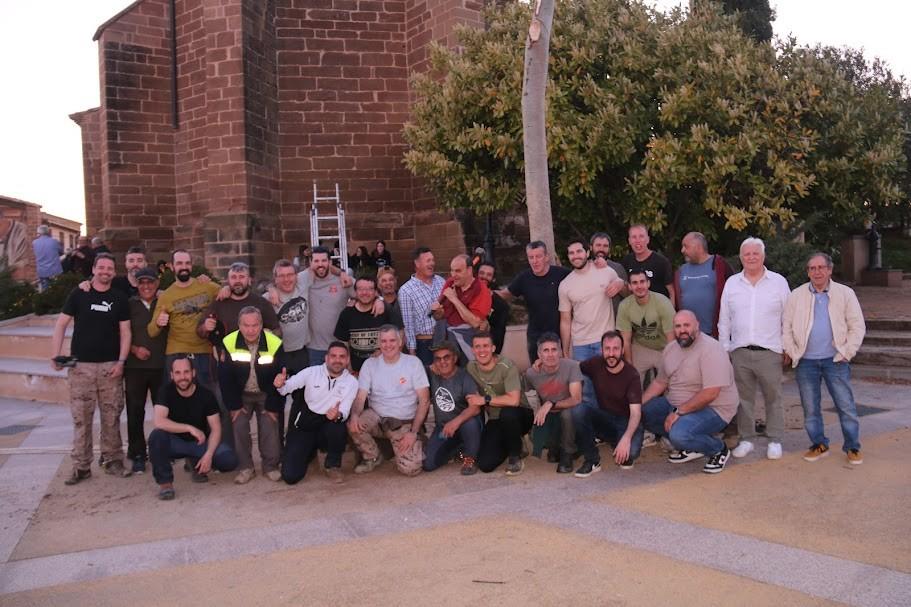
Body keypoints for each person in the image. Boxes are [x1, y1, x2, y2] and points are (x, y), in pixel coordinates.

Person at [51, 253, 132, 483]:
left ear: (114, 272)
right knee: (81, 419)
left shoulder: (119, 298)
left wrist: (121, 362)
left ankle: (113, 460)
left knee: (111, 416)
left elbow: (126, 332)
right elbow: (61, 324)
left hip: (110, 367)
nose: (105, 271)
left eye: (109, 268)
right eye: (101, 267)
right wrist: (56, 354)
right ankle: (81, 466)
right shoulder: (79, 294)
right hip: (81, 368)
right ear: (94, 269)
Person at [783, 252, 866, 464]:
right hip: (806, 362)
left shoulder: (845, 293)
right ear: (808, 272)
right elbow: (786, 327)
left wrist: (847, 352)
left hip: (835, 360)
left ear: (830, 270)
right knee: (810, 408)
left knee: (846, 406)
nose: (817, 272)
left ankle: (852, 446)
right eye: (812, 268)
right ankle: (819, 444)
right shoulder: (796, 295)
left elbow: (857, 326)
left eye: (821, 267)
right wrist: (793, 351)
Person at [718, 237, 791, 460]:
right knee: (744, 399)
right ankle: (747, 439)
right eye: (747, 254)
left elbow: (788, 318)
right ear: (741, 258)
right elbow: (724, 319)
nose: (751, 257)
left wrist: (787, 347)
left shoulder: (778, 282)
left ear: (763, 256)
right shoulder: (732, 283)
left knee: (773, 397)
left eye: (755, 253)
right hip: (740, 351)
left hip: (770, 350)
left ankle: (775, 439)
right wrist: (724, 348)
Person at [640, 310, 739, 474]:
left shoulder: (712, 349)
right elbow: (660, 382)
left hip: (714, 408)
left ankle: (718, 449)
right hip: (677, 404)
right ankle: (693, 445)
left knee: (679, 435)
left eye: (687, 325)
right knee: (643, 413)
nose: (682, 330)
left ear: (697, 325)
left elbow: (711, 393)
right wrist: (637, 405)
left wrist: (679, 412)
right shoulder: (671, 349)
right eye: (678, 326)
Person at [148, 356, 239, 500]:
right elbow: (159, 421)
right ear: (171, 375)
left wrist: (208, 455)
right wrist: (189, 428)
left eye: (186, 372)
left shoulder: (206, 395)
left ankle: (196, 462)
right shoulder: (165, 391)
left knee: (229, 460)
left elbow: (216, 428)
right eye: (178, 373)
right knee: (156, 437)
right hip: (174, 443)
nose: (182, 377)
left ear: (193, 373)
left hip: (199, 443)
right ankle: (165, 484)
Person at [347, 325, 430, 476]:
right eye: (383, 341)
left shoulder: (413, 363)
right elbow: (360, 397)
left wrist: (413, 432)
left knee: (411, 469)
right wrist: (354, 416)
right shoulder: (370, 364)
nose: (388, 345)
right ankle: (372, 457)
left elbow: (424, 401)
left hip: (402, 422)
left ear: (400, 342)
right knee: (355, 425)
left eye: (392, 340)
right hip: (377, 418)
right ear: (378, 343)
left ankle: (417, 440)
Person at [274, 341, 358, 484]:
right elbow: (287, 387)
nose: (337, 360)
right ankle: (310, 453)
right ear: (326, 358)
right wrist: (280, 384)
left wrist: (337, 415)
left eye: (342, 356)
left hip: (328, 424)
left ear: (347, 360)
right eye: (333, 356)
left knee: (338, 427)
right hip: (305, 424)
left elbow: (344, 410)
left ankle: (332, 465)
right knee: (290, 476)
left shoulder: (352, 382)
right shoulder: (311, 372)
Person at [218, 306, 285, 483]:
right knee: (238, 424)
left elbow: (280, 376)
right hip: (241, 394)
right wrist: (234, 406)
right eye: (246, 325)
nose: (250, 330)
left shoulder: (274, 342)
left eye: (255, 325)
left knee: (270, 424)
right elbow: (225, 378)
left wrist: (273, 406)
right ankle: (246, 468)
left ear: (261, 325)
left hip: (266, 392)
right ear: (239, 325)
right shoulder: (228, 342)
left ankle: (270, 466)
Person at [558, 239, 624, 419]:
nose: (575, 256)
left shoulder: (605, 271)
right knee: (587, 391)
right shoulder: (565, 285)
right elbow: (565, 320)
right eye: (571, 253)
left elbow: (623, 288)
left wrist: (619, 283)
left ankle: (613, 427)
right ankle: (594, 428)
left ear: (587, 252)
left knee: (610, 387)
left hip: (605, 342)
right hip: (580, 345)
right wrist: (566, 350)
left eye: (579, 251)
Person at [572, 331, 644, 476]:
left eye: (615, 349)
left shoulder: (631, 375)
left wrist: (626, 439)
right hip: (604, 417)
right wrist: (546, 362)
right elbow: (573, 366)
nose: (611, 354)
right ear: (602, 350)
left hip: (626, 421)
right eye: (607, 349)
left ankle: (619, 441)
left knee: (629, 455)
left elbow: (636, 413)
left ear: (622, 350)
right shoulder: (595, 363)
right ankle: (592, 460)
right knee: (579, 410)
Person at [147, 250, 220, 389]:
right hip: (177, 352)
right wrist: (158, 323)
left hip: (204, 351)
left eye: (187, 263)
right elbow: (151, 331)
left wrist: (226, 289)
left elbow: (228, 293)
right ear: (172, 266)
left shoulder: (206, 286)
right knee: (177, 398)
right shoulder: (166, 296)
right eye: (179, 263)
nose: (184, 267)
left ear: (191, 265)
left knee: (210, 396)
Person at [466, 332, 534, 475]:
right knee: (485, 464)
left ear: (493, 348)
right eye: (477, 347)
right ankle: (515, 443)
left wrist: (485, 399)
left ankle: (515, 457)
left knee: (508, 413)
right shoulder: (471, 368)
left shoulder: (507, 366)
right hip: (495, 418)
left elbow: (514, 401)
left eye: (486, 346)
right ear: (472, 350)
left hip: (520, 414)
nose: (482, 350)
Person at [496, 241, 570, 365]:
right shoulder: (524, 278)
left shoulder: (561, 274)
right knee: (537, 370)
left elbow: (582, 277)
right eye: (531, 257)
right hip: (535, 335)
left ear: (546, 257)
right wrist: (483, 293)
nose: (535, 261)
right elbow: (505, 294)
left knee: (560, 371)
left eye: (538, 256)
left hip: (558, 333)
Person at [124, 267, 168, 474]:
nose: (146, 286)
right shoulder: (129, 305)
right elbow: (120, 332)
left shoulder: (164, 303)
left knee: (164, 411)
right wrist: (134, 349)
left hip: (161, 366)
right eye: (142, 282)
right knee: (135, 411)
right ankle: (138, 454)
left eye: (150, 282)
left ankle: (163, 450)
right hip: (135, 367)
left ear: (157, 283)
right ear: (137, 284)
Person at [422, 341, 484, 475]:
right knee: (428, 463)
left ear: (455, 358)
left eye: (446, 357)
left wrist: (455, 422)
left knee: (470, 423)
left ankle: (470, 458)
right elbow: (412, 370)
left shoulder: (464, 376)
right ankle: (458, 449)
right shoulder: (431, 374)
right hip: (444, 428)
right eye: (438, 359)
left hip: (464, 425)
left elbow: (475, 408)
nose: (442, 362)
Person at [524, 333, 583, 473]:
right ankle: (558, 446)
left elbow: (576, 399)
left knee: (567, 415)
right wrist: (537, 414)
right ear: (539, 354)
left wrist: (551, 403)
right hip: (550, 416)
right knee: (551, 454)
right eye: (546, 350)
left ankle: (568, 453)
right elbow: (529, 397)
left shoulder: (572, 366)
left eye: (554, 349)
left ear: (560, 351)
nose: (550, 354)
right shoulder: (531, 374)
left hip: (570, 411)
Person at [200, 261, 281, 349]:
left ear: (249, 280)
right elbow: (200, 331)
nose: (237, 281)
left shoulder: (261, 303)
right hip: (226, 355)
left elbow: (277, 330)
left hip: (256, 355)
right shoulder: (218, 303)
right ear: (228, 280)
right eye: (233, 277)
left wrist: (266, 339)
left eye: (241, 277)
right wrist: (205, 327)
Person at [616, 269, 675, 386]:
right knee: (632, 382)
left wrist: (670, 363)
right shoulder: (624, 306)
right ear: (630, 287)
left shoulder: (662, 302)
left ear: (648, 283)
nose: (639, 286)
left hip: (664, 348)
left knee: (671, 381)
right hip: (641, 347)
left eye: (642, 282)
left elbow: (671, 338)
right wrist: (629, 366)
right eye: (635, 283)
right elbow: (626, 340)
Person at [431, 253, 492, 360]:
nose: (453, 275)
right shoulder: (450, 282)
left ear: (469, 270)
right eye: (452, 270)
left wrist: (454, 299)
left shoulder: (482, 290)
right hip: (445, 339)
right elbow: (439, 316)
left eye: (458, 271)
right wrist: (437, 311)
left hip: (467, 341)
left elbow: (475, 323)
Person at [334, 276, 400, 373]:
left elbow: (400, 335)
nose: (365, 293)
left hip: (385, 369)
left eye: (369, 289)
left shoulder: (386, 311)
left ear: (376, 292)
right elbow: (343, 344)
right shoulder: (347, 313)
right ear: (355, 292)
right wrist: (349, 369)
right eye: (360, 289)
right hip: (357, 370)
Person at [675, 232, 734, 336]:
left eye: (686, 246)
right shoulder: (681, 270)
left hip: (714, 334)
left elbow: (734, 291)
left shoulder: (719, 265)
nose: (682, 250)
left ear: (698, 247)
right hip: (688, 335)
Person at [399, 246, 446, 365]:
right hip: (424, 345)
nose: (432, 264)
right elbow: (408, 324)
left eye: (433, 260)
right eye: (428, 261)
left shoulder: (441, 281)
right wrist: (412, 352)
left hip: (445, 340)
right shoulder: (406, 290)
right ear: (417, 264)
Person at [270, 259, 311, 375]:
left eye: (290, 275)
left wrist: (342, 273)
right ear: (275, 279)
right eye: (281, 276)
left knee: (302, 385)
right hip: (279, 353)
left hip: (302, 351)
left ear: (296, 276)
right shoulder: (268, 299)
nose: (286, 279)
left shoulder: (303, 285)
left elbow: (321, 265)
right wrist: (270, 288)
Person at [622, 224, 675, 306]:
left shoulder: (661, 262)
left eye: (641, 236)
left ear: (648, 239)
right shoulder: (627, 261)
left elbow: (671, 292)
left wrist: (671, 311)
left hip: (659, 309)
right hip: (637, 310)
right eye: (634, 237)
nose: (637, 240)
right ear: (629, 241)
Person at [589, 232, 629, 316]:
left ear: (609, 248)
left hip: (614, 320)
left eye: (605, 246)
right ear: (591, 247)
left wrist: (621, 285)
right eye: (598, 245)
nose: (601, 249)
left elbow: (629, 296)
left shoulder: (618, 268)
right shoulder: (584, 269)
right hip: (590, 320)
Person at [477, 262, 509, 355]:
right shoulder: (466, 297)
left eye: (489, 275)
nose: (484, 277)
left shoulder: (501, 305)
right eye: (481, 273)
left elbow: (498, 338)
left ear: (494, 279)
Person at [32, 225, 63, 291]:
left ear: (38, 232)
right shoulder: (54, 241)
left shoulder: (35, 242)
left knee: (45, 290)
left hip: (42, 270)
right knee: (57, 290)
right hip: (54, 270)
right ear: (48, 232)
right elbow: (61, 251)